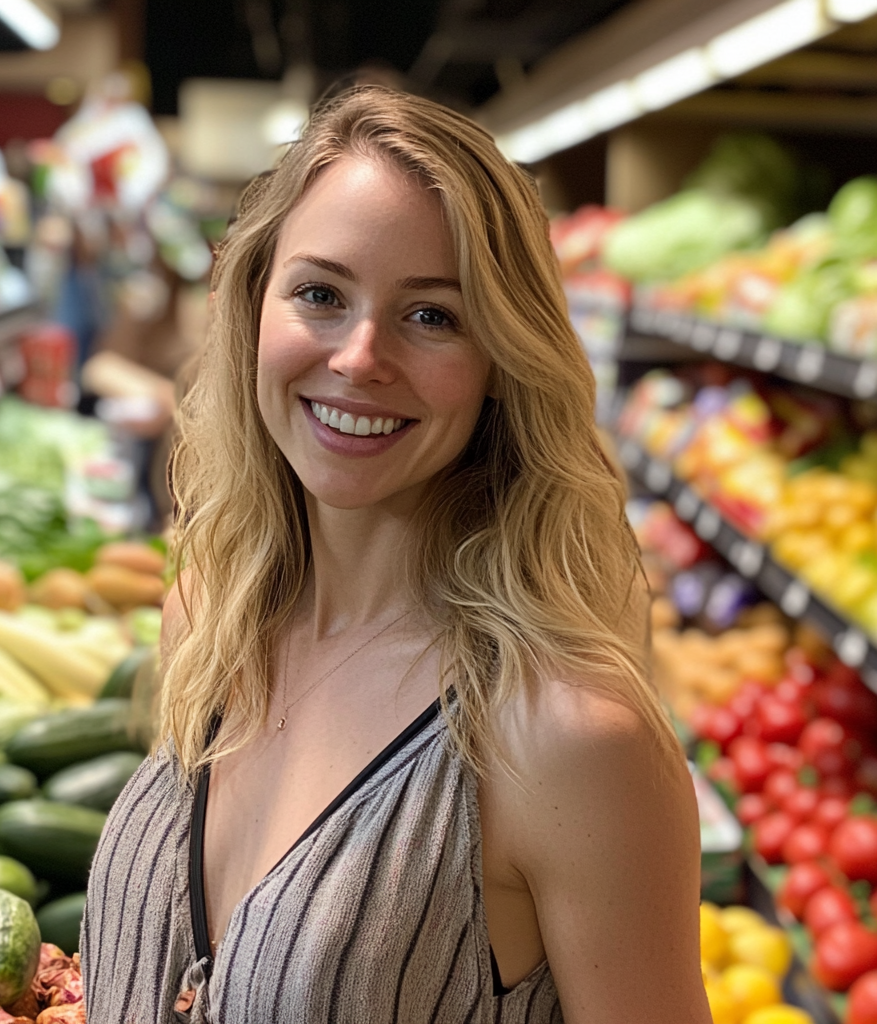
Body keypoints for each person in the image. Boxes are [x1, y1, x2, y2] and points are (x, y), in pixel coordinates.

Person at [81, 85, 711, 1024]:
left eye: (432, 317)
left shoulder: (564, 740)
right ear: (254, 307)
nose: (360, 356)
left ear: (502, 361)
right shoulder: (208, 620)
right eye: (321, 294)